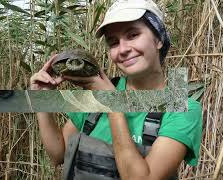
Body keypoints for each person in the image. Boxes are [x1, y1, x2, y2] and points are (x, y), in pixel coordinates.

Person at [30, 0, 202, 179]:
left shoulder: (183, 108)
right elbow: (58, 155)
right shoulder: (96, 92)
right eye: (113, 42)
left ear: (158, 39)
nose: (123, 49)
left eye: (133, 35)